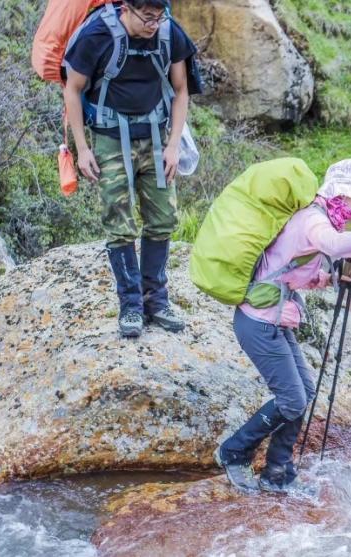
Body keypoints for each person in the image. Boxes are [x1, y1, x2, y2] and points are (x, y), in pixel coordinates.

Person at [215, 159, 351, 493]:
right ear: (342, 192)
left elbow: (290, 269)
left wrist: (327, 278)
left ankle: (278, 472)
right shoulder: (313, 220)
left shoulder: (323, 218)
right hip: (258, 322)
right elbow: (336, 246)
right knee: (293, 400)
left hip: (275, 319)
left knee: (303, 394)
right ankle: (234, 452)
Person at [63, 0, 199, 338]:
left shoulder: (169, 33)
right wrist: (82, 149)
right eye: (147, 16)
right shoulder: (97, 34)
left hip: (155, 137)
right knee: (119, 221)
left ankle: (156, 301)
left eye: (159, 15)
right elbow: (73, 88)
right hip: (109, 139)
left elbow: (181, 90)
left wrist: (172, 145)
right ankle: (130, 306)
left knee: (163, 218)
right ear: (126, 8)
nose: (154, 24)